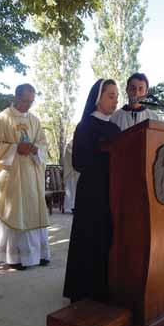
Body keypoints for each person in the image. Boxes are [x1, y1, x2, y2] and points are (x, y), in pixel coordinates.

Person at [0, 84, 50, 271]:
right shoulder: (2, 119)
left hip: (31, 176)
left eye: (31, 101)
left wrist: (36, 149)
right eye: (25, 101)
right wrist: (14, 148)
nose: (28, 105)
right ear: (16, 97)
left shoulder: (35, 120)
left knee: (33, 212)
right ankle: (14, 256)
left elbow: (43, 144)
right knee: (14, 211)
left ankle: (38, 254)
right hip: (9, 177)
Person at [63, 79, 120, 303]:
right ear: (97, 98)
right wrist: (103, 153)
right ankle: (81, 290)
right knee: (88, 238)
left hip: (114, 191)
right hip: (92, 191)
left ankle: (104, 288)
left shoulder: (115, 128)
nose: (115, 101)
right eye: (110, 96)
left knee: (107, 238)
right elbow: (78, 162)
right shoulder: (85, 126)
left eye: (116, 96)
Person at [63, 140, 79, 214]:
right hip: (72, 172)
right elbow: (71, 156)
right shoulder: (70, 144)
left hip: (78, 172)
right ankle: (73, 207)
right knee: (73, 190)